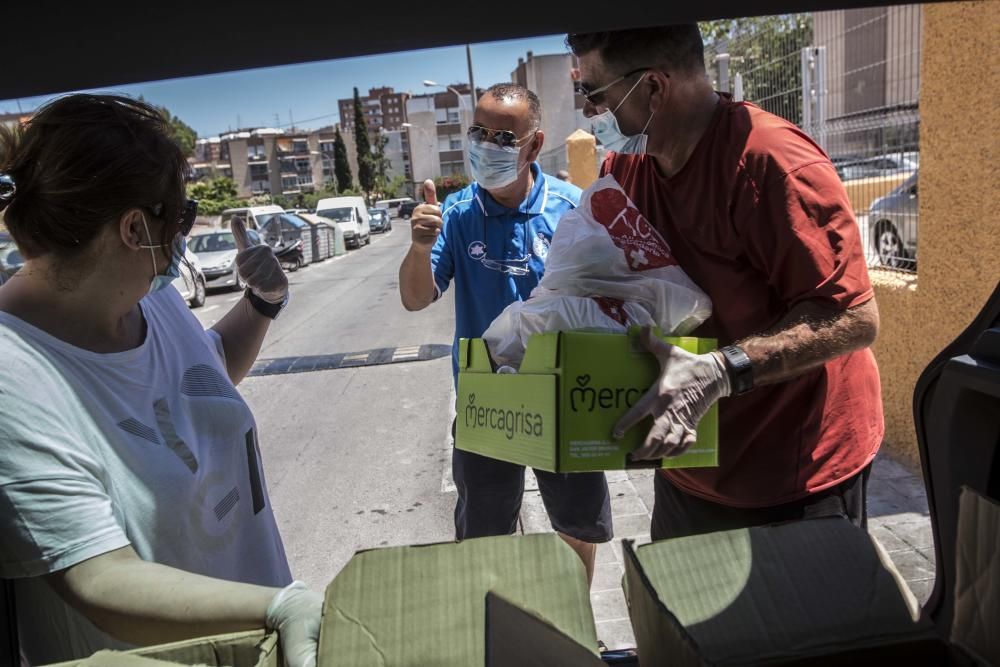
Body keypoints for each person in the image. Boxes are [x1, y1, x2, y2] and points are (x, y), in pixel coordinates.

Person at [0, 95, 320, 666]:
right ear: (133, 227)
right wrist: (276, 606)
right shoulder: (13, 372)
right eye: (182, 216)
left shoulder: (155, 296)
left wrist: (262, 305)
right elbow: (98, 575)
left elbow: (206, 378)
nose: (185, 235)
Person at [566, 26, 883, 540]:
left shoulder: (772, 163)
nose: (586, 111)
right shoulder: (624, 168)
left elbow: (852, 318)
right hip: (690, 461)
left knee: (792, 621)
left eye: (593, 93)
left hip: (798, 474)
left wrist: (721, 370)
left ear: (653, 87)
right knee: (680, 614)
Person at [398, 83, 612, 584]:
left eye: (503, 137)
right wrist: (417, 248)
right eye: (479, 132)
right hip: (485, 404)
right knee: (484, 539)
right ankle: (497, 632)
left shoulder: (573, 208)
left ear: (534, 145)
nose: (486, 145)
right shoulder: (457, 215)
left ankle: (573, 627)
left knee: (576, 527)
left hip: (561, 400)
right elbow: (415, 298)